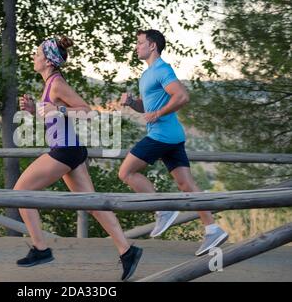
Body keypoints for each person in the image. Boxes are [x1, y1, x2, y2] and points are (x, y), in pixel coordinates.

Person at [16, 35, 142, 281]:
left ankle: (41, 249)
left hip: (64, 151)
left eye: (38, 53)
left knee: (20, 191)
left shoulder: (57, 83)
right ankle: (127, 251)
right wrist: (33, 111)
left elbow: (87, 112)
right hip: (70, 149)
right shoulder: (50, 84)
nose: (34, 56)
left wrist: (58, 109)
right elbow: (54, 118)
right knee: (92, 204)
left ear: (49, 61)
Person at [119, 29, 228, 256]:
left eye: (140, 43)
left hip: (161, 135)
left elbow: (182, 96)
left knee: (126, 172)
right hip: (173, 136)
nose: (136, 47)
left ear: (152, 46)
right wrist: (132, 103)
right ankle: (213, 229)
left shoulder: (162, 69)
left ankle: (163, 209)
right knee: (186, 185)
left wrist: (158, 113)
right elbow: (146, 108)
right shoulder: (147, 74)